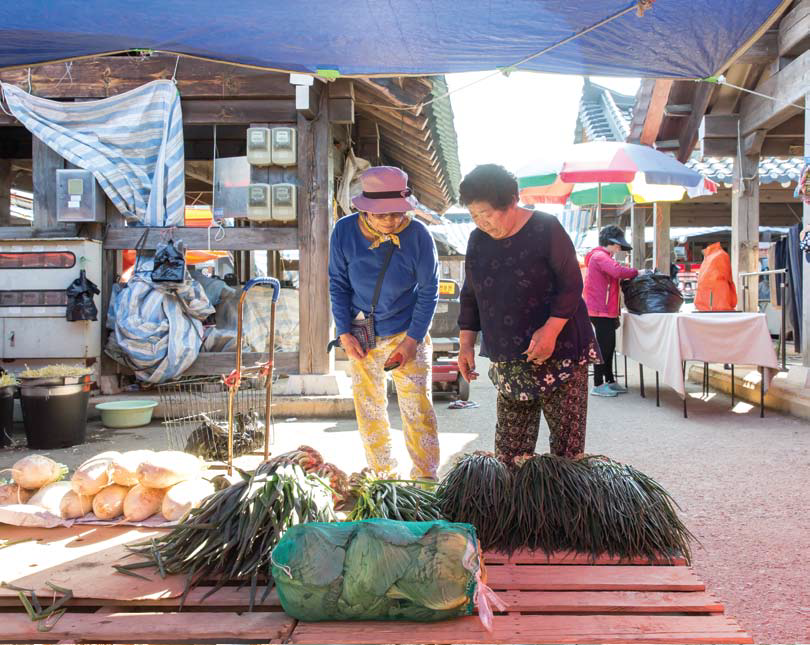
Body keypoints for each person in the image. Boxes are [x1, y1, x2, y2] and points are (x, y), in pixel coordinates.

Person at [456, 164, 600, 465]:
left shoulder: (546, 228)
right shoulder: (477, 241)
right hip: (509, 356)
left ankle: (567, 510)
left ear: (511, 201)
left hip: (560, 351)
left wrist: (550, 330)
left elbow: (572, 284)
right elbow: (471, 293)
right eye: (474, 215)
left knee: (567, 452)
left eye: (487, 213)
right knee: (510, 455)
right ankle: (517, 511)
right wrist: (466, 344)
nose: (481, 222)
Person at [328, 166, 440, 480]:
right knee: (369, 408)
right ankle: (383, 476)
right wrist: (344, 332)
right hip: (363, 332)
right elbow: (338, 284)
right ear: (364, 209)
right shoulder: (344, 231)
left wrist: (412, 340)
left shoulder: (418, 234)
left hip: (407, 329)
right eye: (382, 215)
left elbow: (429, 290)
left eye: (397, 213)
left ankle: (425, 477)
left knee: (417, 407)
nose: (391, 221)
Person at [583, 226, 639, 397]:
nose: (619, 249)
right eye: (618, 245)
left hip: (603, 309)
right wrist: (637, 272)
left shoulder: (600, 256)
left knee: (609, 347)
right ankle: (598, 385)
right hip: (601, 310)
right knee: (604, 348)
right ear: (612, 243)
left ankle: (610, 381)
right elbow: (618, 271)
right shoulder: (600, 256)